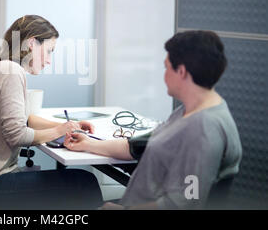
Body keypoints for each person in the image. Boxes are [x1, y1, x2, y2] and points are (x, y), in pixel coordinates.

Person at [64, 30, 242, 209]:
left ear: (181, 71)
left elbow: (183, 203)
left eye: (166, 68)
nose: (164, 75)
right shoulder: (187, 111)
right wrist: (87, 143)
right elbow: (137, 146)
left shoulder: (202, 130)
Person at [0, 15, 103, 209]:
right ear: (32, 43)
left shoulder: (0, 67)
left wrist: (69, 126)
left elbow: (25, 121)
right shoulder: (11, 72)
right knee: (84, 183)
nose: (49, 61)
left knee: (76, 182)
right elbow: (17, 135)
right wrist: (61, 130)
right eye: (49, 51)